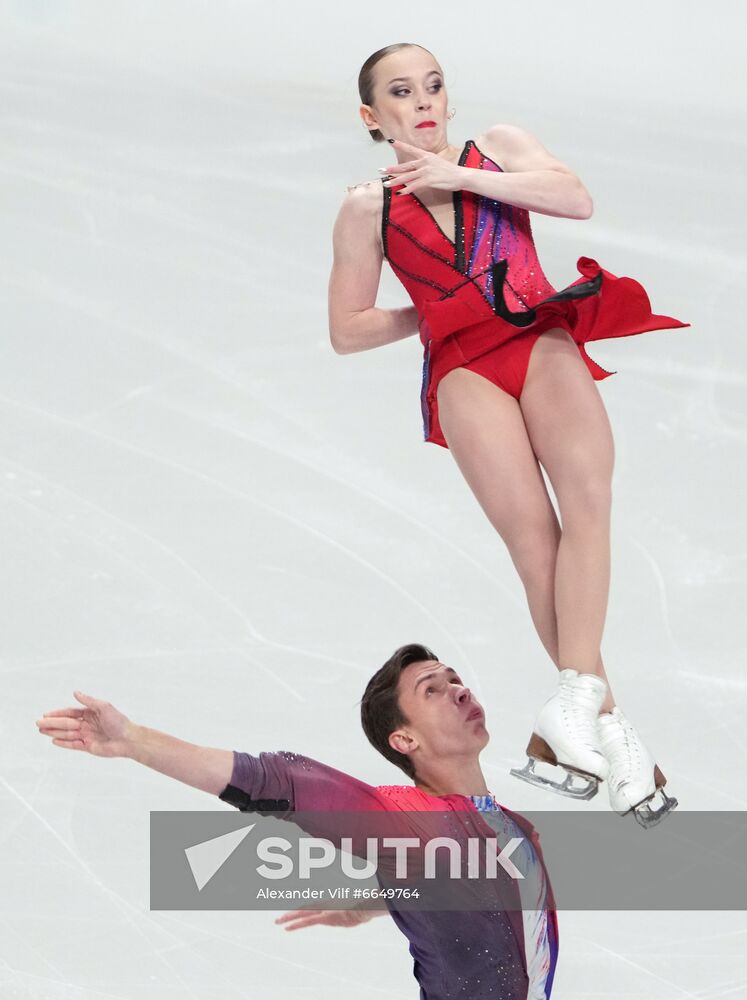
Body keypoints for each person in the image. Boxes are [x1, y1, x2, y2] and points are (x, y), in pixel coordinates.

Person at [327, 42, 687, 826]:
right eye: (399, 92)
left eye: (431, 86)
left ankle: (581, 713)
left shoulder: (499, 147)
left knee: (588, 505)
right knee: (535, 542)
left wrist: (459, 175)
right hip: (463, 371)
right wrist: (428, 313)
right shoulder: (367, 206)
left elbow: (573, 197)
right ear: (370, 115)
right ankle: (611, 734)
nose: (421, 102)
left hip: (538, 338)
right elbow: (346, 329)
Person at [36, 643, 558, 1000]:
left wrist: (380, 900)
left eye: (456, 680)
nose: (460, 691)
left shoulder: (510, 828)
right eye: (432, 690)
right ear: (405, 740)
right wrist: (135, 741)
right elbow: (280, 783)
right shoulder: (407, 819)